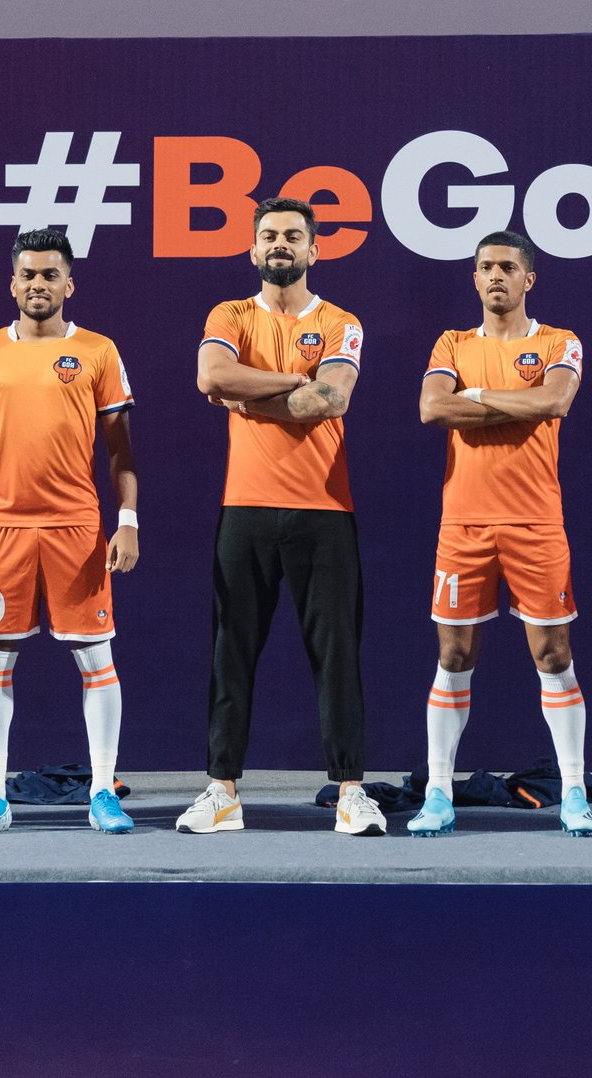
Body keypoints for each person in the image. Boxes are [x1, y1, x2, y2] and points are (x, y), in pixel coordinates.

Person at [177, 197, 381, 836]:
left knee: (337, 655)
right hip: (245, 507)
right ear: (253, 249)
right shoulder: (229, 314)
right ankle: (222, 792)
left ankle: (351, 793)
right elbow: (210, 375)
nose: (279, 245)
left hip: (324, 510)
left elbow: (331, 398)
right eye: (269, 236)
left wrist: (245, 396)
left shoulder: (341, 321)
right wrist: (292, 380)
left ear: (314, 250)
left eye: (293, 236)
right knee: (230, 653)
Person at [0, 228, 140, 836]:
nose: (38, 284)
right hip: (2, 526)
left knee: (96, 658)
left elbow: (120, 452)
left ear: (68, 285)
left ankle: (102, 792)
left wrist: (127, 520)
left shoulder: (99, 351)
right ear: (12, 283)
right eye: (28, 274)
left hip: (77, 526)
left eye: (50, 275)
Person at [409, 230, 592, 837]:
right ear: (474, 278)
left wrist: (476, 395)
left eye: (507, 267)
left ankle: (574, 792)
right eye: (486, 267)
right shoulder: (452, 342)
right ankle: (438, 793)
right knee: (453, 654)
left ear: (528, 279)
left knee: (554, 655)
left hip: (536, 522)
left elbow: (556, 402)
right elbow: (433, 409)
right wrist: (520, 400)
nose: (496, 275)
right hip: (462, 523)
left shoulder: (559, 341)